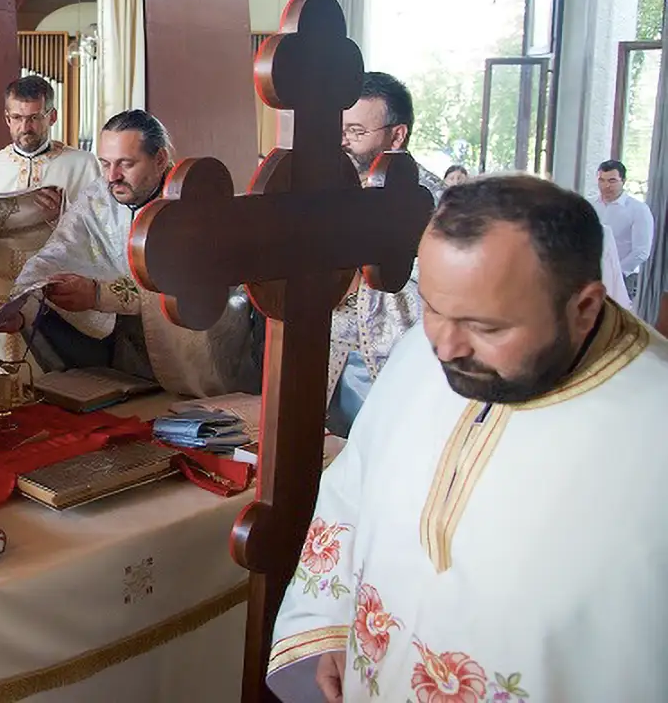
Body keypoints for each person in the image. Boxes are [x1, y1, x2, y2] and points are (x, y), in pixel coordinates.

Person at [269, 174, 668, 703]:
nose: (445, 347)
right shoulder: (419, 353)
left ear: (584, 308)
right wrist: (331, 627)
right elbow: (354, 488)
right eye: (433, 308)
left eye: (487, 327)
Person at [12, 109, 258, 397]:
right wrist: (21, 305)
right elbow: (58, 251)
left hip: (196, 360)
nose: (112, 177)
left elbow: (185, 284)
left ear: (160, 159)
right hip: (129, 359)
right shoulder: (98, 196)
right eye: (105, 164)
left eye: (126, 164)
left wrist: (100, 294)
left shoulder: (195, 203)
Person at [0, 75, 101, 370]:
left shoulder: (83, 165)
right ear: (7, 118)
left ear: (52, 116)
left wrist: (64, 218)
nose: (25, 127)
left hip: (55, 311)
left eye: (34, 118)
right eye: (17, 118)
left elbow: (102, 243)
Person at [328, 72, 446, 435]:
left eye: (356, 131)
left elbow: (441, 292)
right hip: (330, 360)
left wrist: (353, 284)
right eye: (340, 130)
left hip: (394, 367)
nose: (344, 142)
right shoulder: (334, 190)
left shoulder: (438, 204)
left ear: (397, 135)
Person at [590, 159, 654, 302]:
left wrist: (616, 272)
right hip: (590, 274)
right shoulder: (589, 205)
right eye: (601, 180)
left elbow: (641, 251)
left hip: (622, 276)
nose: (606, 186)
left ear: (623, 181)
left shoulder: (638, 210)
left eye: (612, 181)